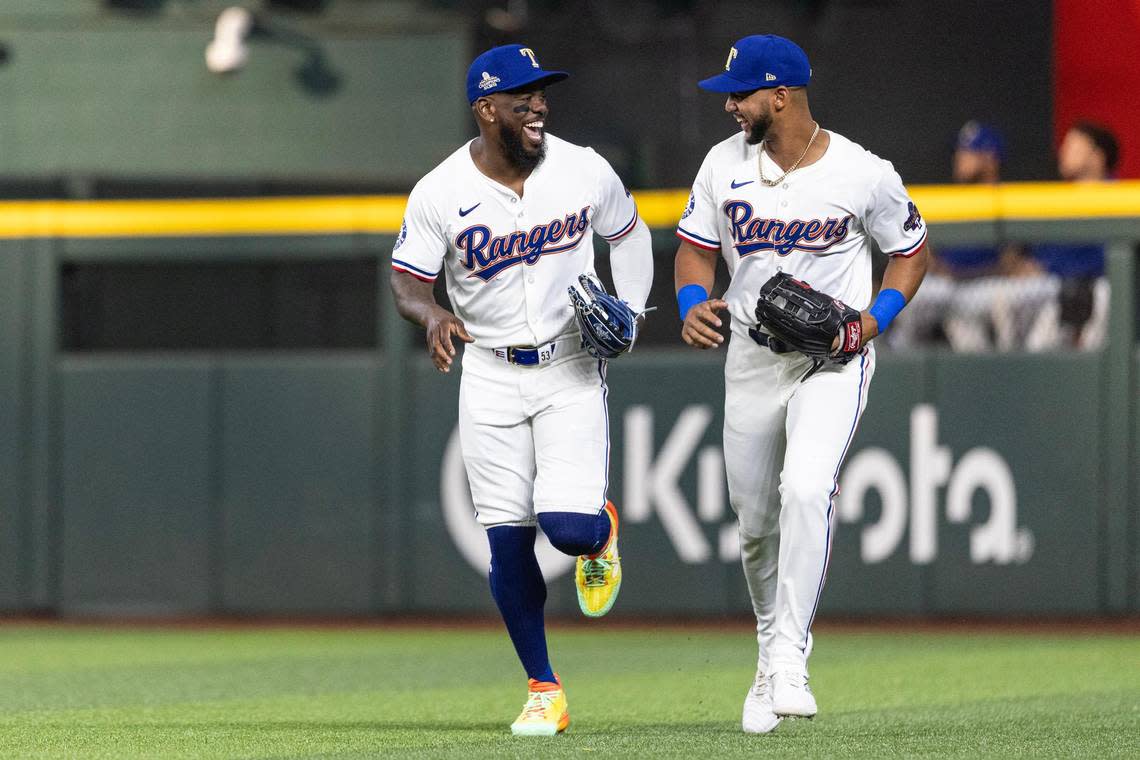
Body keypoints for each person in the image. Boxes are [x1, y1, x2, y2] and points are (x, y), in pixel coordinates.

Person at [389, 44, 653, 736]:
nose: (539, 103)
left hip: (570, 366)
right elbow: (407, 281)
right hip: (491, 373)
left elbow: (628, 234)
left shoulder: (583, 168)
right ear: (486, 108)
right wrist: (432, 312)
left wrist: (633, 307)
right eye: (522, 95)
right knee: (506, 544)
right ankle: (544, 688)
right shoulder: (440, 191)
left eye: (542, 92)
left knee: (567, 531)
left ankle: (601, 533)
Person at [674, 35, 928, 733]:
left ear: (780, 95)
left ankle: (790, 654)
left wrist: (873, 322)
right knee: (754, 528)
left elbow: (910, 253)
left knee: (807, 488)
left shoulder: (862, 172)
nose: (729, 105)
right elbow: (694, 253)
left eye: (741, 93)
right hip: (754, 357)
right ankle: (768, 647)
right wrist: (694, 301)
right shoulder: (722, 166)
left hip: (833, 360)